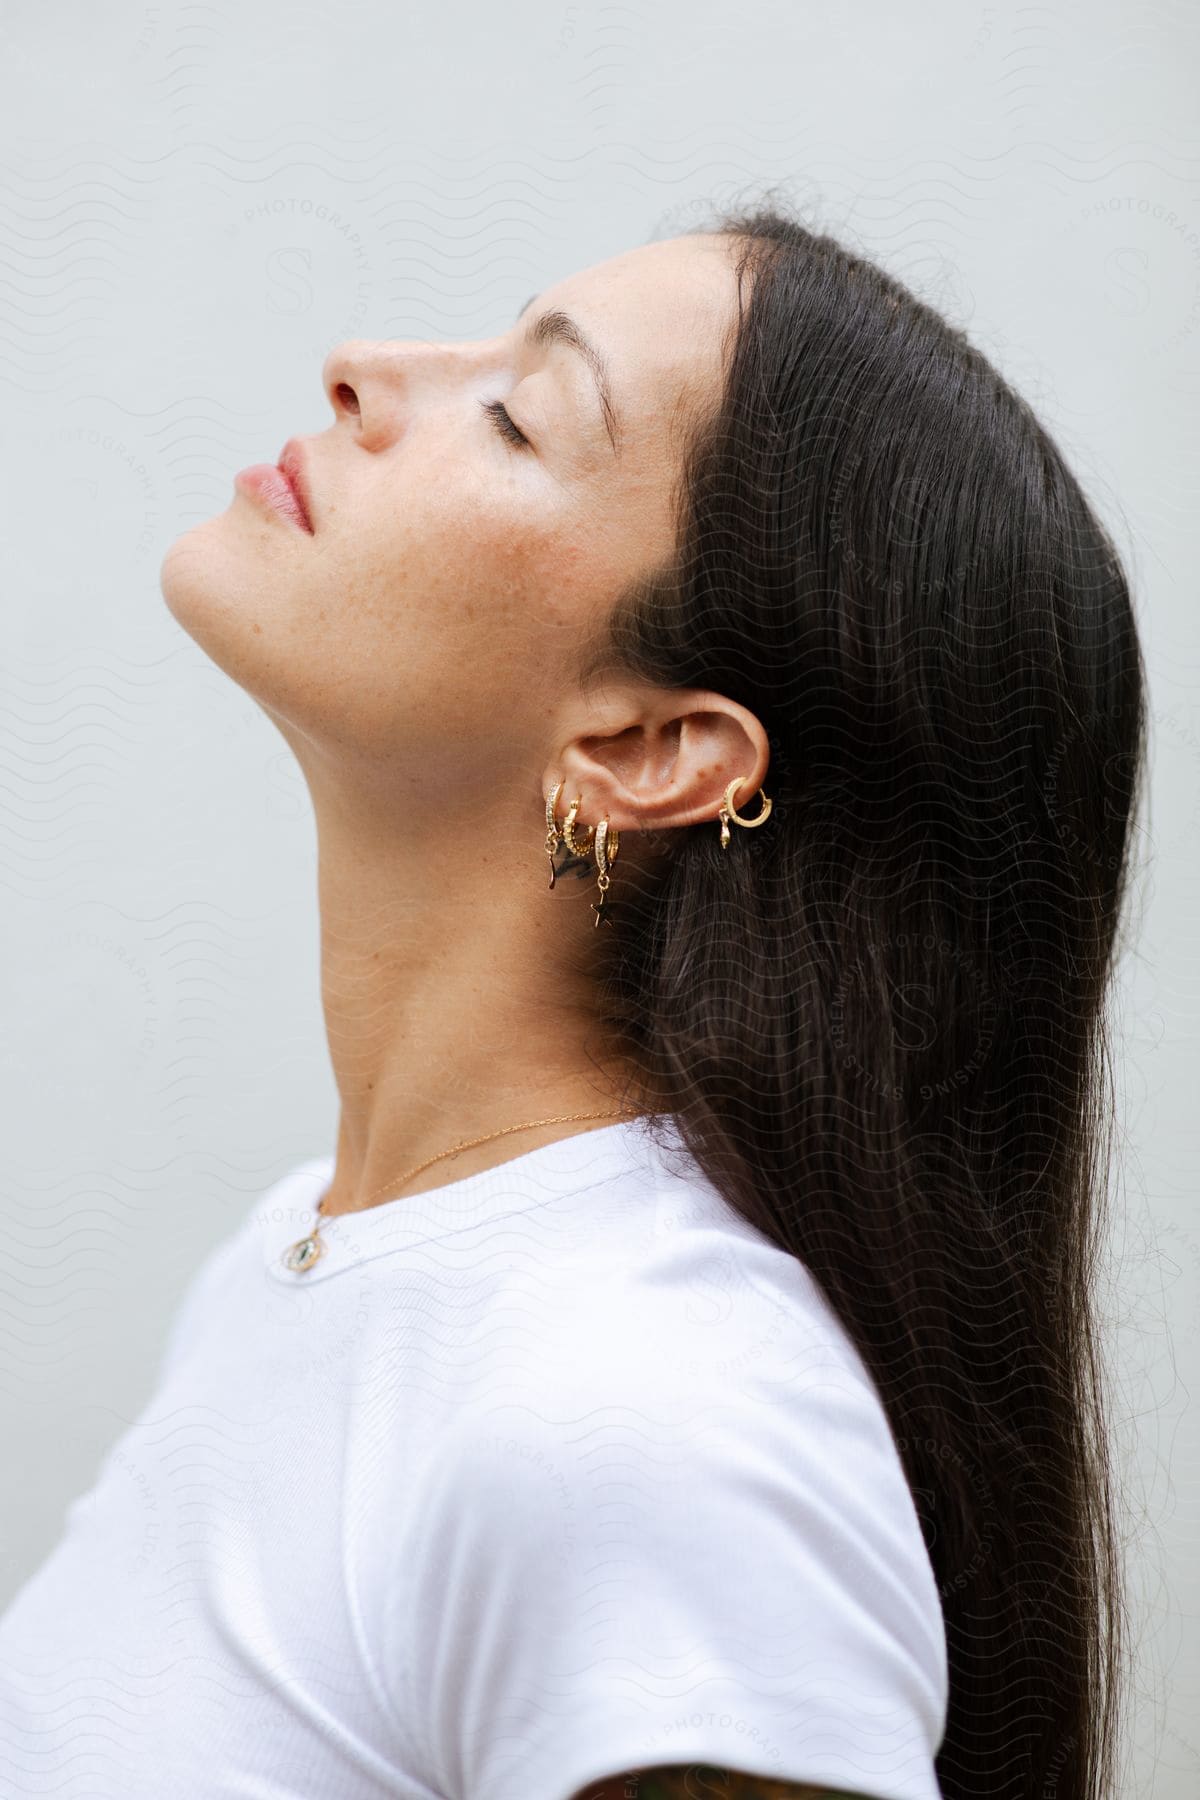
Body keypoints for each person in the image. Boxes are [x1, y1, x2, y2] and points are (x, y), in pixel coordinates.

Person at [0, 197, 1145, 1800]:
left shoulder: (644, 1423)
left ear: (651, 751)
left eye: (522, 413)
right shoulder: (305, 1255)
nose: (363, 369)